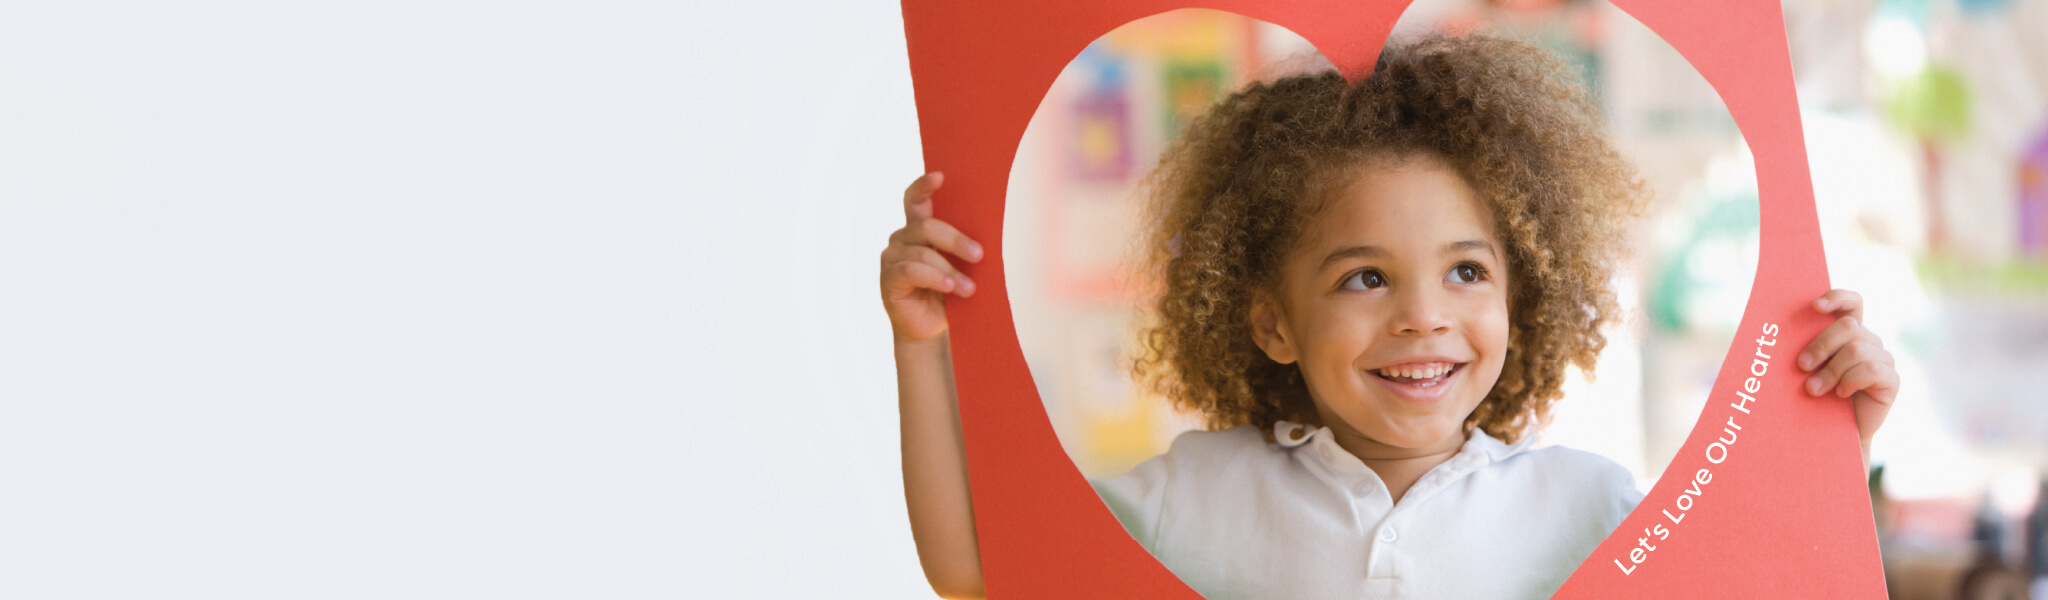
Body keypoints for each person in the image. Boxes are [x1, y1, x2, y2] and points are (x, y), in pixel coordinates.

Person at [879, 33, 1899, 600]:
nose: (1423, 316)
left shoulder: (1583, 504)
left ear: (1519, 294)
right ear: (1272, 323)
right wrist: (920, 346)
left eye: (1464, 272)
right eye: (1364, 279)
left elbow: (1752, 583)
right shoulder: (1198, 493)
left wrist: (1824, 450)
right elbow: (974, 567)